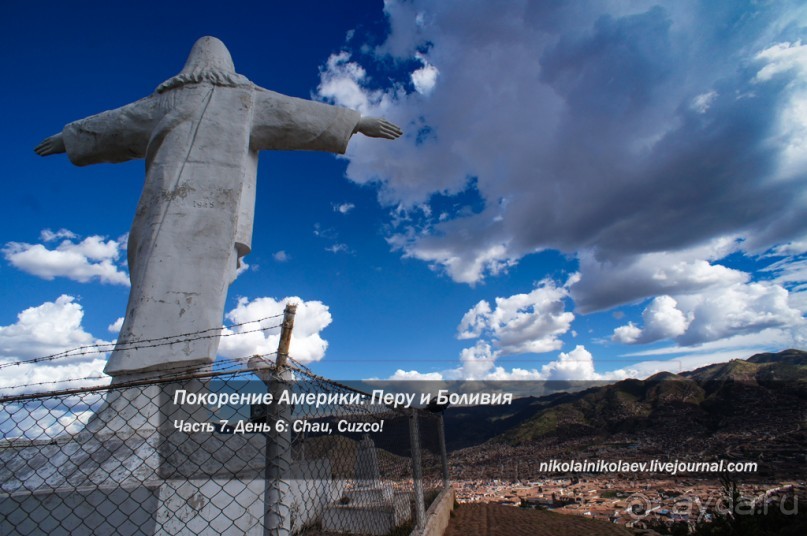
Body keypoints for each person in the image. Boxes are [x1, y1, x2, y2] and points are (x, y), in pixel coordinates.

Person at [35, 36, 402, 379]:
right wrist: (356, 122)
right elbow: (298, 115)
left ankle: (174, 381)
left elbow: (113, 124)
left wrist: (68, 138)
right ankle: (148, 384)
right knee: (164, 283)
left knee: (168, 284)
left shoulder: (173, 101)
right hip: (204, 217)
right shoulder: (240, 97)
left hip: (177, 212)